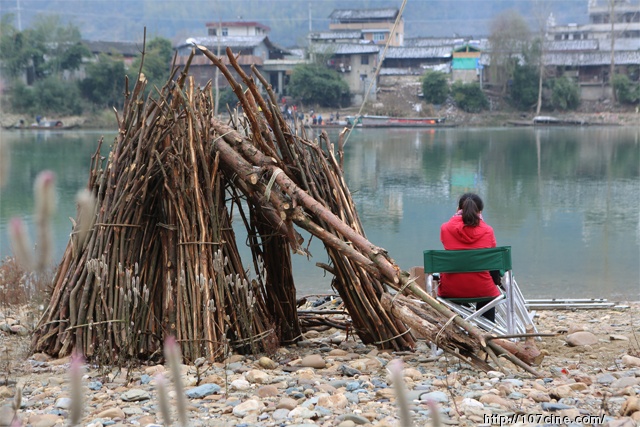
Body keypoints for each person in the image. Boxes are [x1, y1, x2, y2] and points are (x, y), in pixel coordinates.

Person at [438, 193, 501, 321]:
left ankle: (459, 326)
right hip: (483, 289)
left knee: (462, 282)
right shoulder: (488, 231)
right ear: (480, 212)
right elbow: (492, 260)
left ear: (458, 209)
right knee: (487, 286)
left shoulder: (445, 228)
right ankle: (485, 329)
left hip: (451, 288)